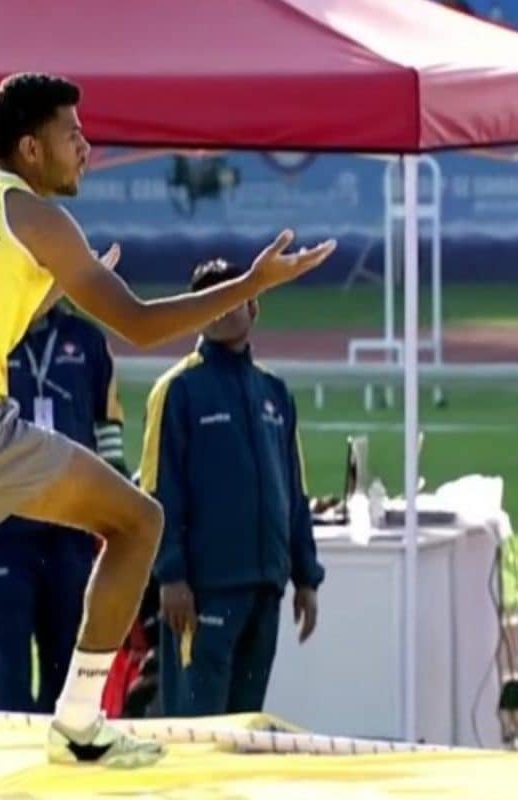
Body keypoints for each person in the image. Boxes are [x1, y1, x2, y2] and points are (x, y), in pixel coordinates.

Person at [0, 71, 335, 792]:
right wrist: (252, 284)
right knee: (139, 523)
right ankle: (80, 724)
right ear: (30, 148)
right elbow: (140, 326)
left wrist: (54, 282)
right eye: (73, 134)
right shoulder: (42, 220)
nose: (87, 147)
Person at [141, 258, 324, 717]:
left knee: (245, 727)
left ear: (254, 307)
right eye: (209, 302)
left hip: (264, 589)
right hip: (204, 591)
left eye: (232, 300)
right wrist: (171, 576)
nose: (222, 312)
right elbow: (159, 491)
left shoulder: (274, 392)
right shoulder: (177, 390)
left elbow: (294, 491)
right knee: (197, 730)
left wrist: (306, 577)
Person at [0, 298, 128, 713]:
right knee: (5, 665)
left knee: (66, 658)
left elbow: (106, 427)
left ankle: (58, 749)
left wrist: (115, 505)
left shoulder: (87, 339)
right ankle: (7, 750)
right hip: (4, 529)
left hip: (72, 527)